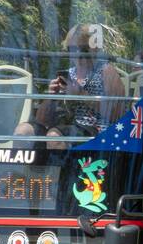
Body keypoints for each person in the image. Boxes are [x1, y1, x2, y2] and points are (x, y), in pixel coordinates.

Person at [14, 22, 126, 157]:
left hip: (95, 132)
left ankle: (59, 177)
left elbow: (118, 114)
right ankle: (20, 175)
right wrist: (51, 96)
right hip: (67, 128)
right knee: (23, 131)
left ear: (94, 49)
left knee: (54, 136)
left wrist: (80, 94)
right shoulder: (69, 74)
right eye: (72, 49)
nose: (77, 54)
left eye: (83, 49)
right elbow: (42, 121)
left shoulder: (106, 71)